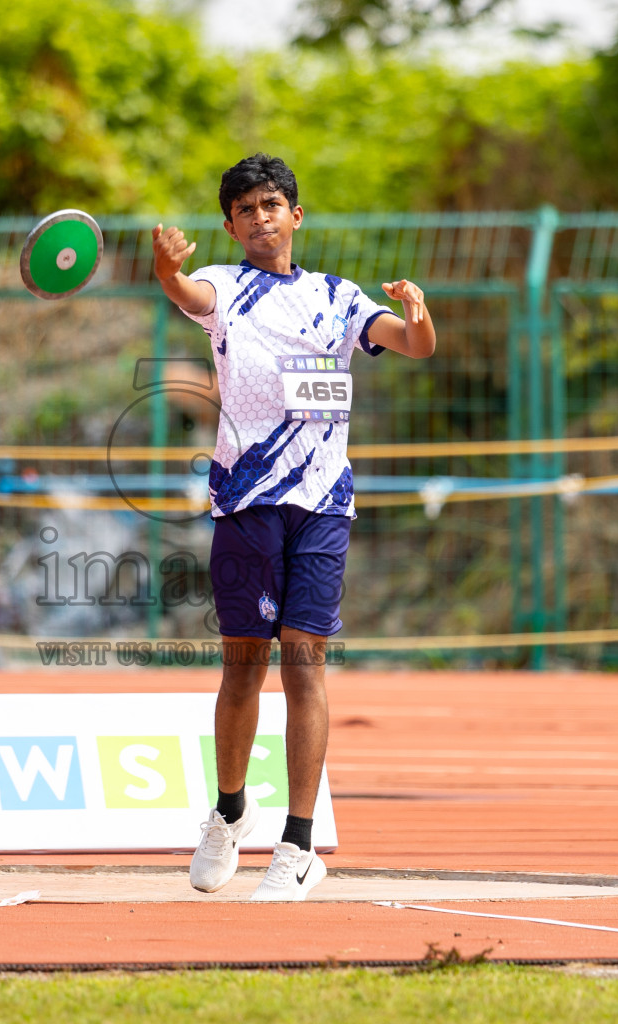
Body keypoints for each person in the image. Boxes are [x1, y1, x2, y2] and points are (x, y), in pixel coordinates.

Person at [151, 154, 436, 900]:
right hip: (245, 503)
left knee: (304, 661)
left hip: (322, 505)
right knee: (244, 665)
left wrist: (416, 313)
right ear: (230, 225)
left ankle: (299, 845)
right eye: (244, 209)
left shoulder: (338, 299)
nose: (259, 217)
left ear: (295, 215)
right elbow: (184, 289)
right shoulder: (224, 286)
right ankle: (230, 811)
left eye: (270, 204)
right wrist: (164, 267)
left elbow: (415, 346)